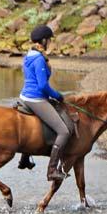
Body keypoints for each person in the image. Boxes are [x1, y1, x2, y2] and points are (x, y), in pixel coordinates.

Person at [21, 25, 73, 181]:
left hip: (24, 96)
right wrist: (58, 95)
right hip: (35, 99)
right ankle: (52, 171)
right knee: (64, 131)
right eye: (49, 40)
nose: (50, 42)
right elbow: (43, 86)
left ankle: (24, 158)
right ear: (44, 40)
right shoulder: (38, 59)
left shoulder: (29, 55)